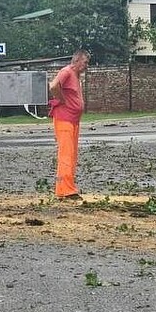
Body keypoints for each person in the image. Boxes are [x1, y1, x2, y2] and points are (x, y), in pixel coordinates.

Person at [48, 50, 89, 202]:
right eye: (85, 62)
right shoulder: (66, 72)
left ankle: (63, 190)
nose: (86, 66)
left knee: (71, 155)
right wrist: (62, 100)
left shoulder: (76, 76)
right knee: (66, 155)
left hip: (73, 120)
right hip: (64, 119)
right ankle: (67, 191)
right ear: (76, 60)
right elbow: (53, 86)